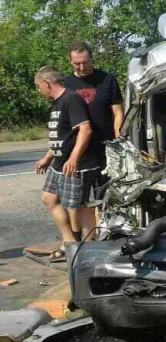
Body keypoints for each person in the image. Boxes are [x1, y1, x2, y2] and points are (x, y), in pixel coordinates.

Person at [34, 66, 97, 260]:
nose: (38, 90)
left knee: (79, 206)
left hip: (76, 163)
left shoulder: (71, 99)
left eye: (38, 86)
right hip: (59, 163)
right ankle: (69, 241)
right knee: (50, 198)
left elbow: (85, 130)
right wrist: (48, 157)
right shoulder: (57, 102)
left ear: (47, 83)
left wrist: (74, 158)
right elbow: (62, 136)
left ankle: (89, 248)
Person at [64, 41, 124, 239]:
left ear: (91, 58)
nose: (82, 67)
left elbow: (117, 112)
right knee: (76, 200)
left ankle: (102, 235)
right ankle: (77, 240)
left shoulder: (107, 80)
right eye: (77, 64)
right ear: (70, 62)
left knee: (104, 196)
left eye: (85, 62)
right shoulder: (66, 85)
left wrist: (118, 138)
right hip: (78, 152)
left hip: (104, 150)